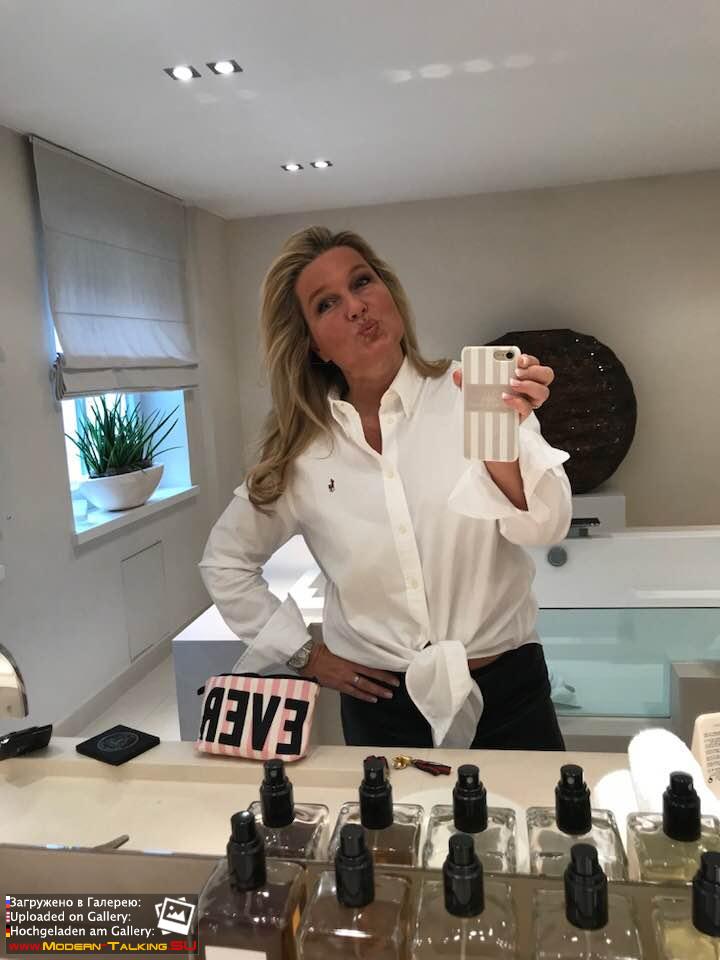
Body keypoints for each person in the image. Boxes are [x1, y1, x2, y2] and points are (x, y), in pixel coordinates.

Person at [199, 226, 572, 750]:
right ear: (312, 343)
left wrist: (503, 446)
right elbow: (224, 562)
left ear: (389, 293)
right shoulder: (302, 450)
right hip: (381, 707)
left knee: (540, 809)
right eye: (327, 303)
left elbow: (547, 528)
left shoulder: (471, 393)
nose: (356, 306)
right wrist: (307, 656)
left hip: (508, 691)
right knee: (386, 812)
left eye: (362, 282)